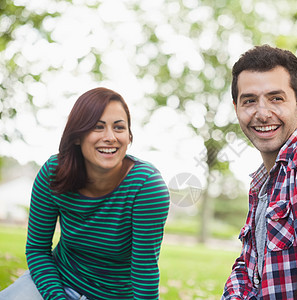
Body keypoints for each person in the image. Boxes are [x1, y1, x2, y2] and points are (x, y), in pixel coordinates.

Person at [0, 87, 170, 300]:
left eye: (119, 128)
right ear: (77, 136)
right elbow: (37, 250)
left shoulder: (147, 187)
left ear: (129, 136)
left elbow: (144, 272)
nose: (110, 137)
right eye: (97, 127)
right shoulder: (54, 172)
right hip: (56, 283)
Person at [221, 45, 297, 299]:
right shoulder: (263, 181)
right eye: (250, 101)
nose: (262, 113)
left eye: (276, 98)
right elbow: (248, 268)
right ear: (236, 108)